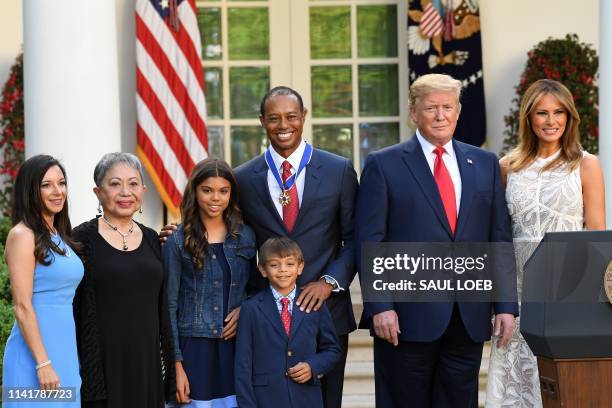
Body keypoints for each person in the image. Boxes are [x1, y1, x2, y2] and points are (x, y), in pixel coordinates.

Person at [355, 73, 518, 408]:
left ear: (458, 111)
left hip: (467, 316)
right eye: (431, 108)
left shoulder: (484, 163)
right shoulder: (383, 164)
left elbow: (497, 237)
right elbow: (371, 241)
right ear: (414, 112)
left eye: (447, 107)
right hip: (405, 318)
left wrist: (505, 305)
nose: (440, 115)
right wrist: (380, 306)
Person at [233, 86, 358, 408]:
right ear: (262, 121)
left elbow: (356, 238)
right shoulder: (244, 178)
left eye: (291, 116)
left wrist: (329, 283)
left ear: (303, 117)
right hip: (268, 318)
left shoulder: (338, 170)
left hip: (325, 312)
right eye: (274, 118)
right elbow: (234, 238)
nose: (283, 125)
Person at [485, 79, 605, 407]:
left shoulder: (586, 164)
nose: (551, 121)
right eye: (542, 113)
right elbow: (499, 235)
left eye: (558, 112)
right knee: (515, 384)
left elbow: (597, 236)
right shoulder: (507, 166)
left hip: (567, 290)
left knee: (562, 384)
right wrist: (500, 299)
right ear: (528, 118)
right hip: (519, 295)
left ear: (569, 118)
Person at [72, 153, 175, 407]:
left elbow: (164, 304)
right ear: (98, 192)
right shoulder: (79, 240)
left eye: (133, 183)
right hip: (103, 362)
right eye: (115, 184)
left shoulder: (154, 240)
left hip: (147, 361)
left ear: (143, 189)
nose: (125, 192)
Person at [163, 158, 256, 407]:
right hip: (193, 348)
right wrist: (176, 367)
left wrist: (244, 309)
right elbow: (169, 305)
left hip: (236, 347)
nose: (215, 198)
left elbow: (258, 290)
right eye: (207, 190)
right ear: (194, 191)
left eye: (223, 191)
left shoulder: (245, 237)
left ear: (231, 194)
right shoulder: (177, 241)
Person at [2, 155, 83, 407]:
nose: (57, 191)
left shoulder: (59, 236)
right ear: (30, 190)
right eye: (46, 185)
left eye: (61, 183)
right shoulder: (22, 235)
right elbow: (22, 305)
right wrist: (43, 363)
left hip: (65, 354)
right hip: (34, 359)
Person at [234, 237, 341, 408]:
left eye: (290, 264)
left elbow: (332, 350)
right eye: (274, 265)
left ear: (300, 267)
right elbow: (243, 364)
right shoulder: (251, 308)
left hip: (307, 399)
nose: (283, 270)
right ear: (262, 269)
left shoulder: (314, 304)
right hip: (266, 400)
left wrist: (312, 366)